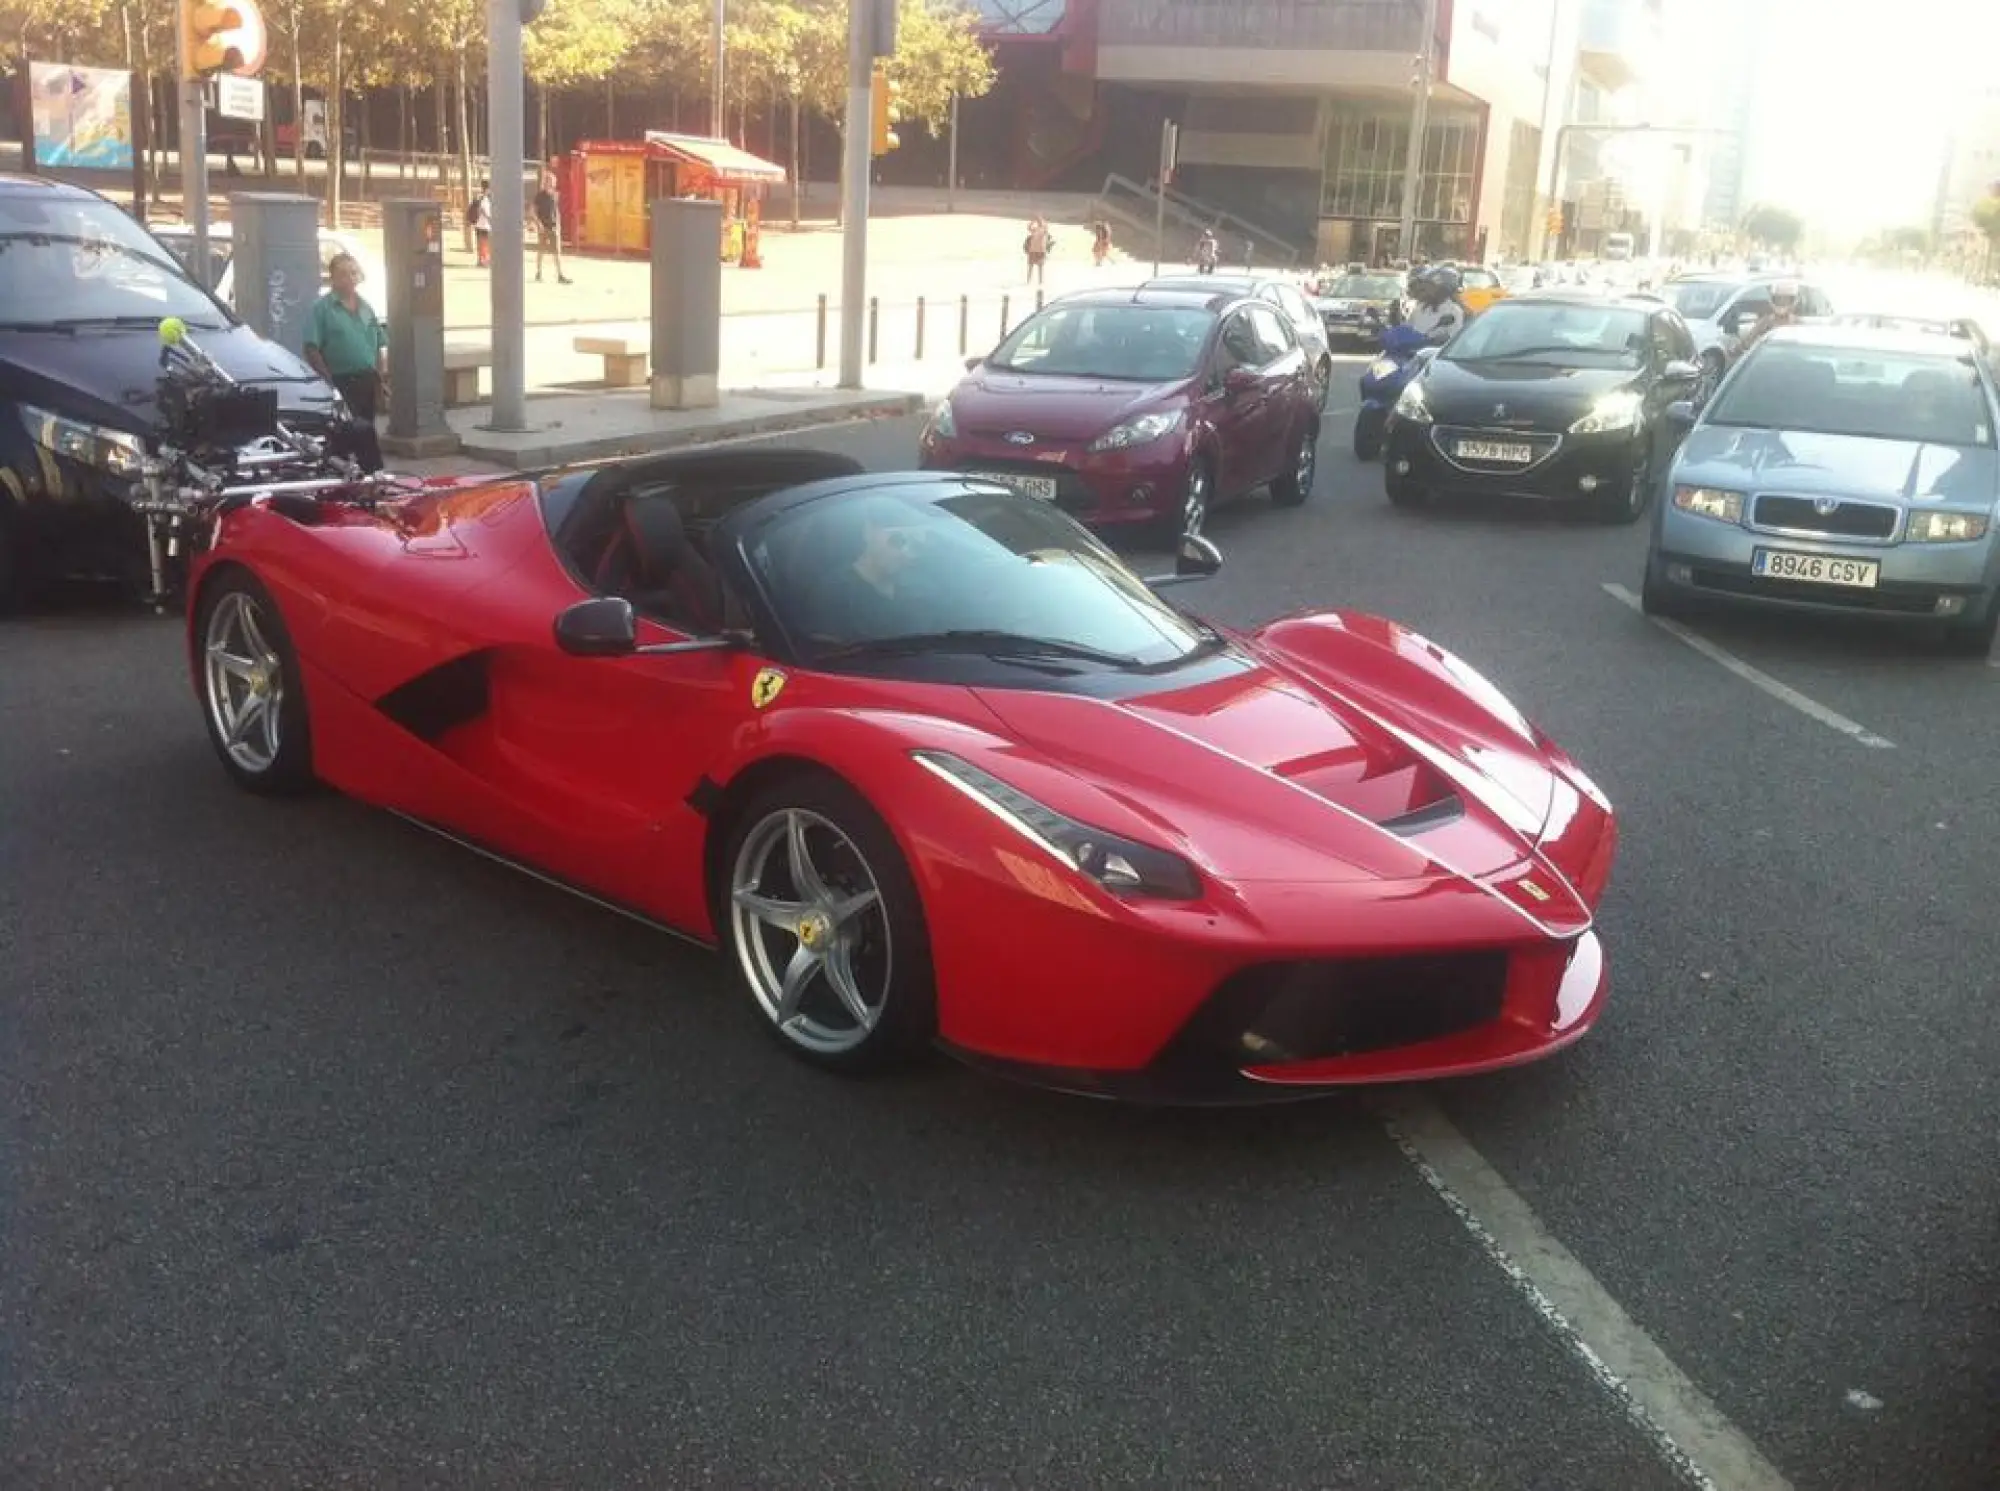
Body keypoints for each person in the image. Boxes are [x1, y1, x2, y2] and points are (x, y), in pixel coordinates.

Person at [301, 253, 386, 473]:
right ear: (333, 279)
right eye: (343, 274)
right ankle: (339, 474)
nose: (349, 278)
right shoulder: (322, 308)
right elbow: (311, 347)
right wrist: (328, 381)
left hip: (366, 380)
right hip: (340, 381)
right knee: (344, 433)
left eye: (353, 273)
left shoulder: (366, 307)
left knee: (366, 431)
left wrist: (380, 379)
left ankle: (370, 477)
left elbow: (377, 345)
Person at [1404, 266, 1467, 345]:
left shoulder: (1453, 311)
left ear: (1443, 288)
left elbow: (1453, 341)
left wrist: (1436, 340)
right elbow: (1407, 330)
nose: (1425, 289)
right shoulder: (1420, 308)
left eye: (1430, 286)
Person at [533, 159, 572, 284]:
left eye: (553, 181)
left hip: (554, 226)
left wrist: (559, 224)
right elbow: (532, 211)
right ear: (545, 182)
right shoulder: (540, 196)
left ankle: (560, 275)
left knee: (557, 252)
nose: (551, 183)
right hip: (543, 227)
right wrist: (538, 224)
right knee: (541, 251)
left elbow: (556, 211)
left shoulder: (554, 195)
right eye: (549, 181)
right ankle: (538, 272)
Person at [1742, 279, 1803, 349]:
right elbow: (1746, 344)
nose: (1781, 304)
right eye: (1778, 299)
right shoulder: (1764, 323)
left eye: (1786, 300)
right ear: (1772, 300)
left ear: (1793, 301)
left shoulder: (1799, 325)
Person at [470, 180, 492, 267]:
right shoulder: (484, 198)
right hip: (485, 224)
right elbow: (483, 210)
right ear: (487, 189)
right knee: (486, 243)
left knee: (480, 243)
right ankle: (485, 260)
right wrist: (490, 218)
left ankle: (480, 260)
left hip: (478, 224)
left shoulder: (479, 197)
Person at [1024, 215, 1050, 284]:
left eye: (1040, 221)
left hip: (1041, 251)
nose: (1039, 222)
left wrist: (1041, 219)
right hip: (1033, 250)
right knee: (1030, 267)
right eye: (1038, 221)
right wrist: (1033, 221)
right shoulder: (1034, 229)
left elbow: (1046, 227)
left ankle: (1040, 282)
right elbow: (1028, 227)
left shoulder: (1044, 230)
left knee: (1040, 268)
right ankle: (1028, 281)